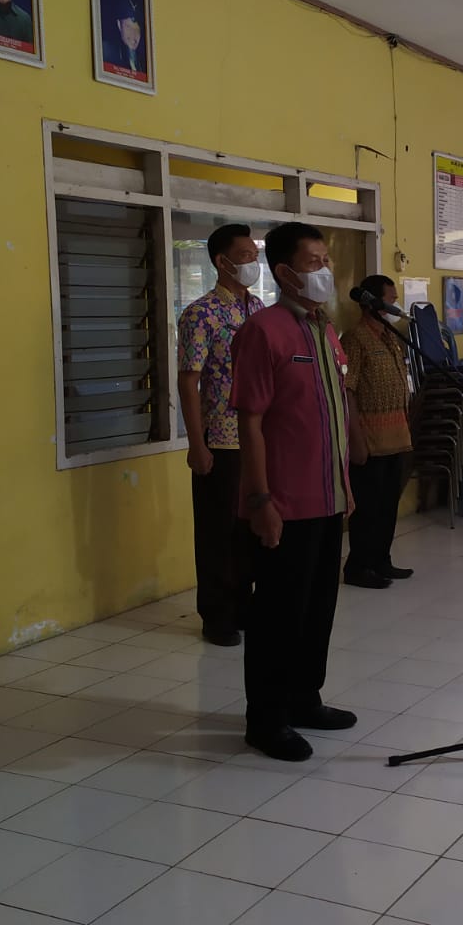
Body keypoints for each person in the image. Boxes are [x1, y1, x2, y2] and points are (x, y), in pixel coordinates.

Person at [230, 222, 364, 761]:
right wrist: (260, 500)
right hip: (284, 504)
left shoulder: (325, 330)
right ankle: (266, 720)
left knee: (318, 609)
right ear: (284, 272)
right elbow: (250, 422)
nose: (325, 270)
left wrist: (345, 486)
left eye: (326, 260)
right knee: (277, 616)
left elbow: (331, 414)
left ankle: (305, 698)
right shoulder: (263, 331)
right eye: (314, 262)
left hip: (328, 498)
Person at [177, 224, 263, 646]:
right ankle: (217, 614)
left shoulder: (258, 309)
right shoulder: (202, 313)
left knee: (249, 527)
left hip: (256, 438)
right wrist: (197, 444)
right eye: (245, 256)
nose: (253, 263)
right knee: (218, 530)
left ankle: (245, 605)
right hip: (221, 439)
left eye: (255, 255)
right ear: (221, 262)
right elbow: (188, 380)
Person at [341, 274, 413, 589]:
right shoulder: (355, 338)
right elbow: (348, 390)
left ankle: (381, 560)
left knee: (387, 505)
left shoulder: (389, 336)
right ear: (371, 302)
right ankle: (359, 567)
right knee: (368, 508)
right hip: (370, 440)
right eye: (390, 299)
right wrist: (356, 440)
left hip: (397, 437)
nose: (395, 304)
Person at [101, 0, 148, 76]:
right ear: (119, 25)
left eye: (137, 29)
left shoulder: (146, 59)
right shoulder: (105, 52)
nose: (133, 34)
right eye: (128, 26)